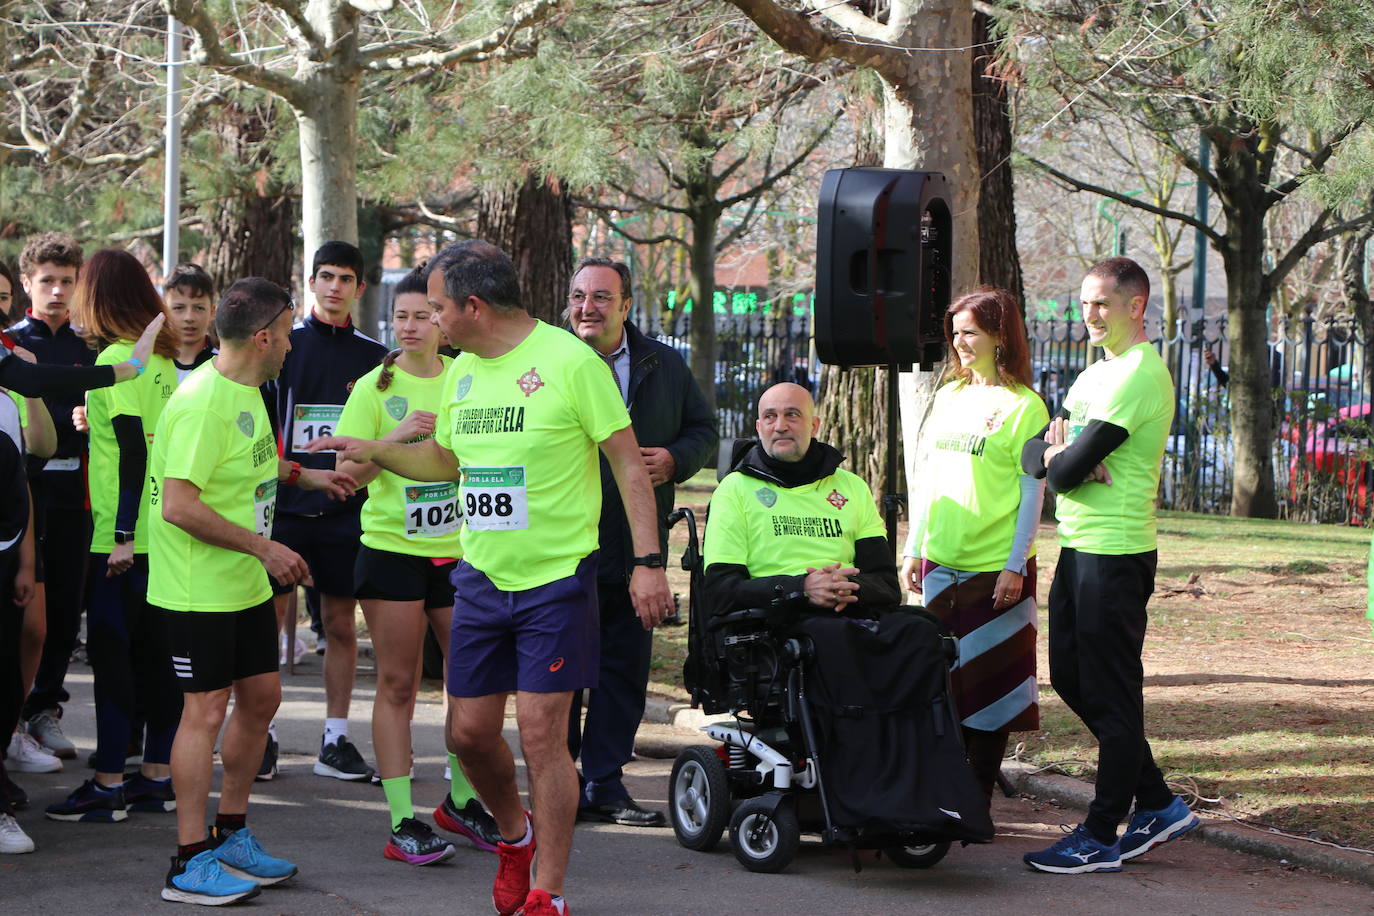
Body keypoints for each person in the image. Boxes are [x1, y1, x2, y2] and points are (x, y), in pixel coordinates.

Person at [310, 240, 674, 916]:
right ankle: (514, 836)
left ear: (474, 306)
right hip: (478, 577)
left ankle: (548, 890)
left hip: (557, 580)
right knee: (468, 736)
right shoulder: (461, 372)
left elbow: (628, 465)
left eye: (441, 307)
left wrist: (649, 564)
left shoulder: (570, 361)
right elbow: (447, 462)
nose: (434, 320)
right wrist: (379, 453)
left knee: (542, 734)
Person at [149, 278, 356, 905]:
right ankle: (188, 860)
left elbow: (251, 463)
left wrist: (307, 478)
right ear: (263, 337)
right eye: (289, 331)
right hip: (196, 588)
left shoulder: (249, 392)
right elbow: (180, 507)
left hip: (240, 584)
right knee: (204, 712)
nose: (294, 343)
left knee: (262, 698)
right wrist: (264, 548)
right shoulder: (202, 403)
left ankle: (231, 832)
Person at [1020, 257, 1198, 874]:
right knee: (1071, 677)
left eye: (1102, 304)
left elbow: (1059, 469)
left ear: (1135, 307)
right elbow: (1033, 455)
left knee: (1113, 693)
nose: (1089, 314)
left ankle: (1100, 833)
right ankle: (1158, 802)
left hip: (1116, 553)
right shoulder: (1096, 373)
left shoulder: (1139, 376)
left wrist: (1062, 456)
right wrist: (1059, 452)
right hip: (1079, 544)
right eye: (1084, 303)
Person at [334, 266, 500, 864]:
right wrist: (396, 439)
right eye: (400, 315)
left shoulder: (467, 377)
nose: (410, 325)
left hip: (460, 555)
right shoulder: (372, 388)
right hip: (392, 554)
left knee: (468, 682)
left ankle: (458, 802)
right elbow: (347, 476)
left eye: (422, 314)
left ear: (444, 319)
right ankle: (402, 818)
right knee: (399, 684)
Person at [563, 258, 716, 828]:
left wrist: (677, 458)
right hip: (566, 544)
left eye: (602, 297)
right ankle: (562, 779)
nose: (587, 308)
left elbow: (704, 429)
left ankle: (604, 781)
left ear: (627, 305)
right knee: (561, 672)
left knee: (622, 671)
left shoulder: (662, 364)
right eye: (579, 296)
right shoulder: (551, 362)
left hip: (635, 548)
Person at [45, 249, 184, 824]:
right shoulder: (167, 363)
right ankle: (155, 775)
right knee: (155, 662)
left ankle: (107, 783)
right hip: (166, 533)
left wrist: (123, 533)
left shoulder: (116, 357)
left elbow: (132, 450)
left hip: (122, 539)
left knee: (114, 660)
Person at [898, 287, 1048, 808]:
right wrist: (914, 547)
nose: (960, 343)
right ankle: (944, 791)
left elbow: (1033, 490)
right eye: (955, 332)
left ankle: (977, 797)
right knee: (942, 685)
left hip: (995, 571)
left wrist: (1015, 566)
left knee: (991, 691)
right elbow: (927, 478)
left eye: (971, 332)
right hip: (941, 563)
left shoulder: (1025, 407)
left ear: (999, 336)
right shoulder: (948, 397)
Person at [263, 241, 386, 781]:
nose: (335, 286)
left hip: (343, 507)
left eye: (346, 279)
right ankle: (261, 733)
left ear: (360, 288)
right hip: (286, 506)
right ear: (311, 282)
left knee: (339, 624)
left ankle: (335, 741)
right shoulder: (286, 346)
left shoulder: (375, 357)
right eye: (326, 276)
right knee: (267, 623)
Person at [703, 382, 899, 619]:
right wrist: (801, 589)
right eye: (770, 416)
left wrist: (842, 586)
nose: (780, 426)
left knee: (922, 631)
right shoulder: (734, 489)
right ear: (758, 427)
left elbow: (886, 585)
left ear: (814, 425)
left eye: (792, 415)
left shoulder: (852, 486)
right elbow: (720, 592)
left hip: (850, 611)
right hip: (775, 623)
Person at [9, 233, 95, 763]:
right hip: (23, 496)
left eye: (67, 281)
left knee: (66, 610)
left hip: (78, 498)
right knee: (25, 618)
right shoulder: (13, 343)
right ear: (27, 285)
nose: (59, 291)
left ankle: (45, 711)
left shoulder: (90, 348)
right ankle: (13, 718)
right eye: (48, 281)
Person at [164, 264, 217, 382]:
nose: (189, 318)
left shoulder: (223, 367)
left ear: (212, 312)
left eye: (199, 308)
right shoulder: (147, 363)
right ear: (164, 311)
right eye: (179, 308)